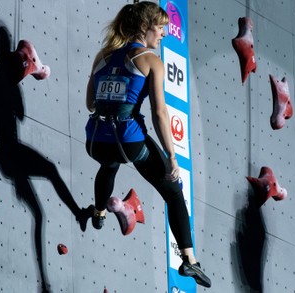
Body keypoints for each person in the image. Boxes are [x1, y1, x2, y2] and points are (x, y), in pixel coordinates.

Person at [84, 1, 211, 288]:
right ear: (145, 28)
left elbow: (90, 103)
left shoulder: (102, 56)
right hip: (128, 141)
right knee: (172, 190)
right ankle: (190, 261)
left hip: (95, 141)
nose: (164, 34)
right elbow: (159, 114)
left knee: (109, 163)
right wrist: (172, 157)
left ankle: (99, 212)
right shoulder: (151, 60)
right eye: (161, 27)